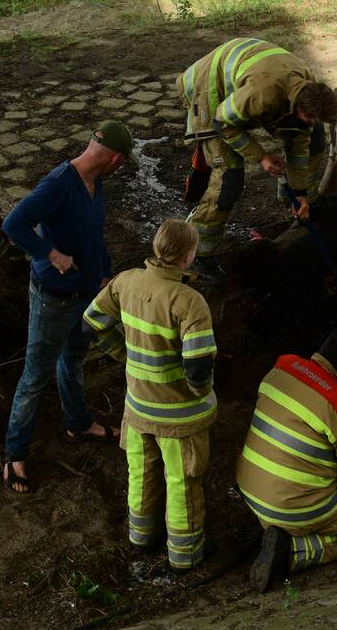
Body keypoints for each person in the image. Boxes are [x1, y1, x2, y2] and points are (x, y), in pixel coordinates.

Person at [0, 120, 138, 494]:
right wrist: (50, 252)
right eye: (123, 162)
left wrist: (104, 275)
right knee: (35, 376)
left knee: (74, 358)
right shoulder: (60, 183)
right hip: (54, 297)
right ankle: (14, 455)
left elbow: (94, 236)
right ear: (114, 158)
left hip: (86, 293)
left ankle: (78, 422)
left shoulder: (97, 184)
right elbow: (14, 223)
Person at [82, 219, 217, 571]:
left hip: (138, 410)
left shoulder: (125, 282)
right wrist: (201, 394)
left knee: (140, 474)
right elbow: (199, 368)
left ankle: (140, 538)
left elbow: (91, 323)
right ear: (188, 256)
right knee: (182, 482)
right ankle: (184, 555)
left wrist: (123, 353)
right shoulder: (189, 301)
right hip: (179, 418)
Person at [235, 325, 337, 592]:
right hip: (289, 508)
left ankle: (281, 530)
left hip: (250, 491)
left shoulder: (280, 368)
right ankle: (289, 551)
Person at [177, 37, 337, 285]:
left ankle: (297, 204)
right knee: (230, 177)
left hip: (252, 86)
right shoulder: (262, 96)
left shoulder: (308, 91)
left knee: (315, 139)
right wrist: (261, 157)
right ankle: (199, 254)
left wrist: (300, 193)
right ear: (295, 107)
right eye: (308, 118)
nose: (311, 122)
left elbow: (299, 145)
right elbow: (223, 122)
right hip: (208, 88)